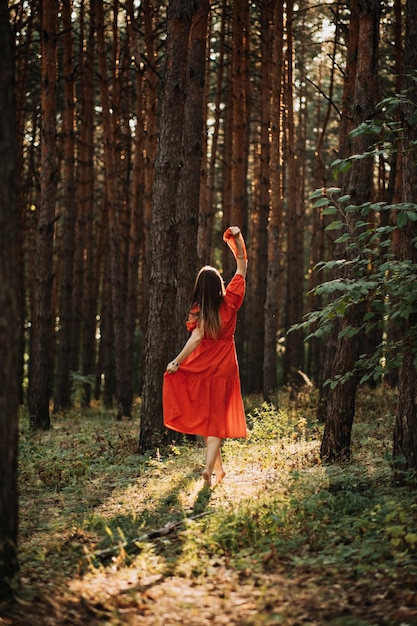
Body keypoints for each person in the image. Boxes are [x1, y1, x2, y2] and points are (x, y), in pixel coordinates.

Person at [163, 226, 248, 487]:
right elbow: (242, 264)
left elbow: (196, 338)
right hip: (225, 369)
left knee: (212, 421)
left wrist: (177, 362)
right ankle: (210, 470)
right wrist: (236, 237)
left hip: (203, 368)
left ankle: (216, 471)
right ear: (219, 284)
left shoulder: (199, 311)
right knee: (218, 422)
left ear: (200, 287)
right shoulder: (231, 300)